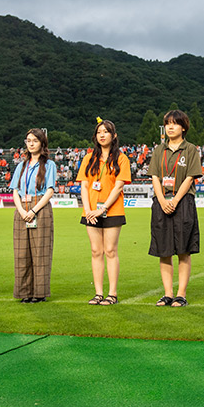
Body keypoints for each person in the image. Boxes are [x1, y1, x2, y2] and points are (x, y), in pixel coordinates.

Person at [149, 110, 202, 307]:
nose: (170, 127)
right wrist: (162, 200)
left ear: (183, 127)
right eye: (167, 124)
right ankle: (167, 293)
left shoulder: (190, 149)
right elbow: (154, 176)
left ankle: (181, 294)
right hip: (161, 201)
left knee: (183, 250)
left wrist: (176, 199)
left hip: (183, 202)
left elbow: (190, 177)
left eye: (175, 123)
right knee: (164, 250)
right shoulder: (158, 150)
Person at [76, 119, 131, 306]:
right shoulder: (88, 158)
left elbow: (119, 186)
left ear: (113, 136)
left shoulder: (121, 159)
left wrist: (103, 208)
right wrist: (88, 210)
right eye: (99, 132)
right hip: (91, 211)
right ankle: (98, 293)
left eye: (106, 132)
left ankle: (112, 294)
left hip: (112, 210)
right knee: (95, 251)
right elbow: (84, 186)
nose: (102, 135)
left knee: (110, 250)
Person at [10, 128, 57, 303]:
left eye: (35, 141)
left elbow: (50, 190)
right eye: (28, 140)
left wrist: (33, 210)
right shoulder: (21, 165)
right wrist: (22, 210)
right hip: (22, 209)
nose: (31, 144)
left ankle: (39, 293)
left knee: (40, 253)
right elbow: (15, 190)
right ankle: (25, 292)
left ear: (42, 143)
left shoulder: (49, 165)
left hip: (40, 208)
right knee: (21, 253)